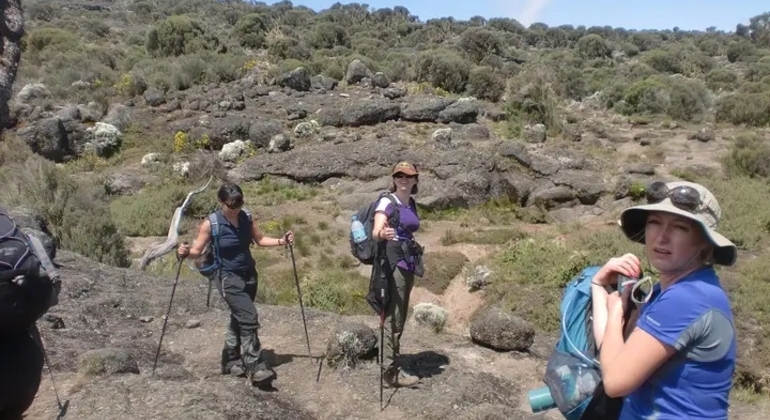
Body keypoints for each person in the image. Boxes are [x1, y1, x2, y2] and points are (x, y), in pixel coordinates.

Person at [589, 180, 737, 419]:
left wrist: (616, 312)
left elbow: (615, 381)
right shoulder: (667, 290)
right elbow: (613, 352)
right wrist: (598, 285)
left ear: (704, 242)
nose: (661, 237)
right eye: (654, 223)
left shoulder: (688, 298)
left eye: (680, 227)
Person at [177, 182, 294, 386]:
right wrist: (185, 253)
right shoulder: (211, 224)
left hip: (249, 274)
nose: (236, 208)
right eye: (232, 205)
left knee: (238, 316)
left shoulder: (246, 217)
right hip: (226, 276)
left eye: (239, 202)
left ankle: (230, 360)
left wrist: (281, 241)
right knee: (249, 316)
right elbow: (197, 251)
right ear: (222, 202)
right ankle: (254, 365)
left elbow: (259, 239)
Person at [371, 161, 424, 388]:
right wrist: (382, 232)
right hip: (393, 264)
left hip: (408, 263)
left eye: (408, 176)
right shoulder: (387, 201)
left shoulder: (410, 202)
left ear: (415, 180)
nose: (404, 178)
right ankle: (389, 373)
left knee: (399, 313)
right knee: (394, 315)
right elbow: (376, 231)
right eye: (399, 175)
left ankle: (390, 363)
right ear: (394, 179)